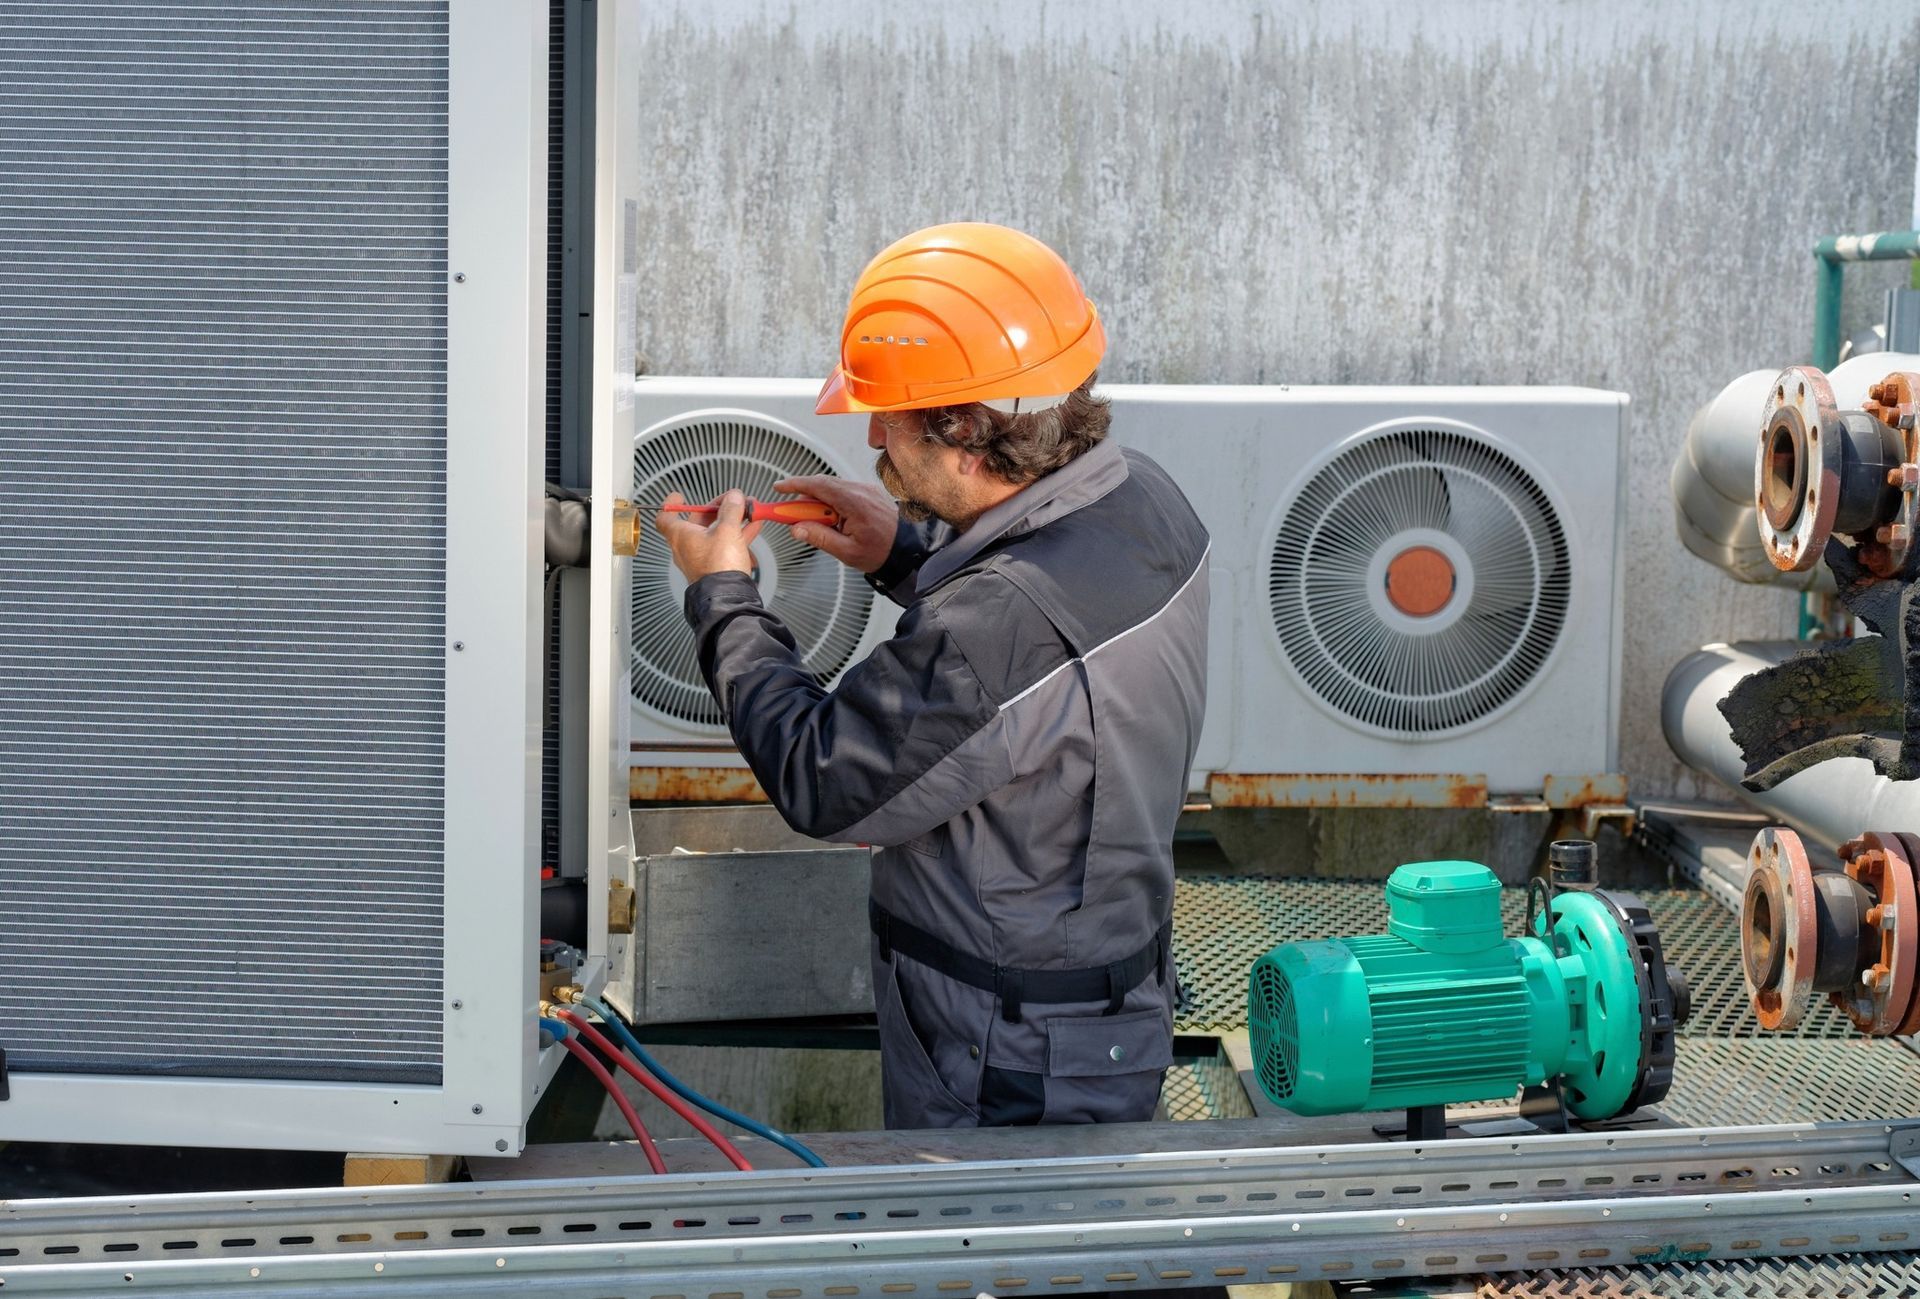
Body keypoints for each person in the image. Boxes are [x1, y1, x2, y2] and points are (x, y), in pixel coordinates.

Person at [655, 222, 1209, 1128]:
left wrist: (724, 593)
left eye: (891, 413)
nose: (871, 431)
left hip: (1005, 1059)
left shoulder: (990, 635)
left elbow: (823, 776)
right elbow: (1044, 682)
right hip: (1102, 1010)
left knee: (988, 1264)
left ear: (962, 432)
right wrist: (904, 552)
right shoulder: (1143, 499)